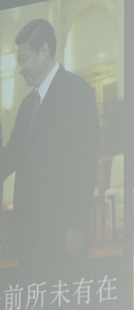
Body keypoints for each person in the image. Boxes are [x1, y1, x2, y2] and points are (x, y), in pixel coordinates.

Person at [0, 19, 99, 269]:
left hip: (62, 230)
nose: (20, 68)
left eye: (24, 59)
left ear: (44, 51)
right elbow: (11, 155)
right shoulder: (26, 105)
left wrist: (77, 225)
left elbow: (85, 162)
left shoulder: (77, 91)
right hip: (29, 231)